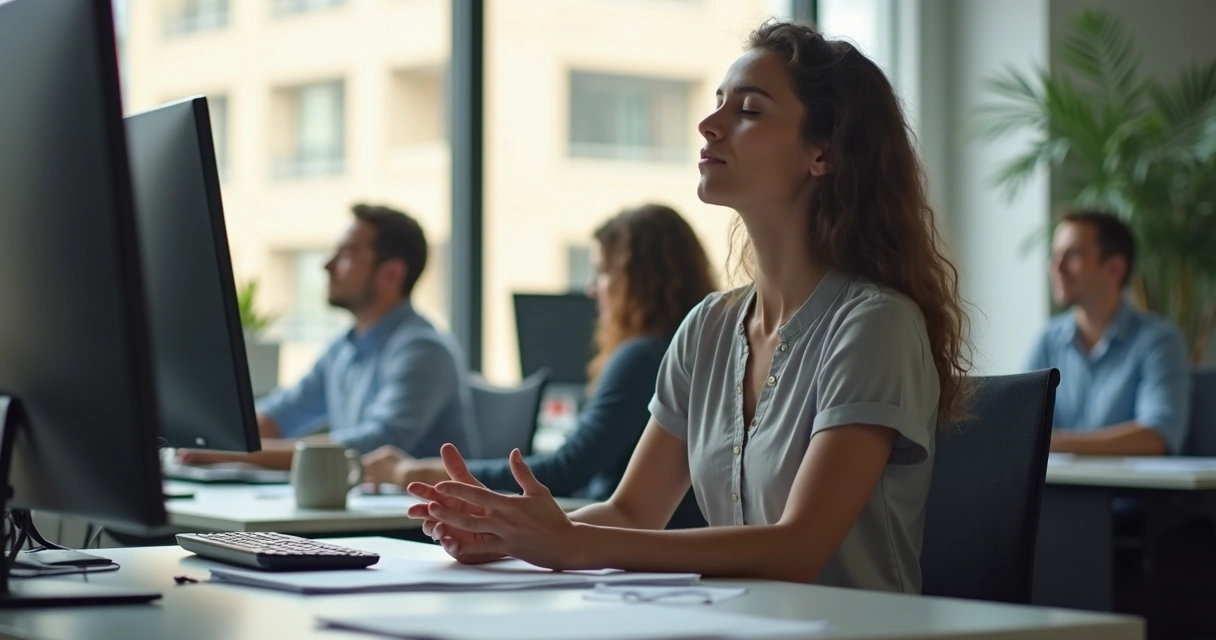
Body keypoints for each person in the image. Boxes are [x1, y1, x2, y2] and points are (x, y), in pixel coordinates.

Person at [399, 19, 972, 594]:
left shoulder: (874, 324)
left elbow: (798, 549)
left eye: (748, 110)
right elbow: (630, 514)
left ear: (822, 153)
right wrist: (507, 538)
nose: (708, 124)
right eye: (719, 102)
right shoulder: (708, 328)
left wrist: (571, 544)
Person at [363, 204, 715, 530]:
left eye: (602, 273)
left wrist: (413, 471)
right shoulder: (692, 352)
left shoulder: (642, 356)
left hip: (625, 547)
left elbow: (563, 470)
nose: (592, 289)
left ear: (640, 282)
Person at [178, 204, 479, 469]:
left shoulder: (423, 349)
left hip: (418, 523)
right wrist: (212, 438)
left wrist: (239, 454)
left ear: (392, 274)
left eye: (346, 254)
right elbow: (281, 414)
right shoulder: (343, 348)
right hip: (360, 511)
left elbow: (378, 443)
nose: (327, 265)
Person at [1026, 210, 1190, 455]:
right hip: (1054, 491)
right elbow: (1021, 426)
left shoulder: (1160, 341)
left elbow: (1157, 436)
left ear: (1114, 268)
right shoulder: (1046, 340)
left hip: (1127, 492)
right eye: (1055, 255)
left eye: (1072, 255)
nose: (1057, 267)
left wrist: (1050, 444)